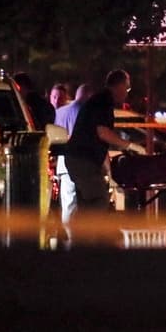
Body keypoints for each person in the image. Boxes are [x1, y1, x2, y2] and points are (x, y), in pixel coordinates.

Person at [64, 70, 146, 220]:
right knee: (99, 199)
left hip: (79, 158)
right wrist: (131, 146)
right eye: (127, 89)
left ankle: (81, 239)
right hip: (83, 160)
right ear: (119, 86)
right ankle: (81, 233)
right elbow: (103, 133)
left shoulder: (99, 100)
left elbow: (99, 142)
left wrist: (109, 172)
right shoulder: (103, 101)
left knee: (87, 203)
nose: (127, 94)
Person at [53, 83, 95, 246]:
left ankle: (69, 237)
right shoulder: (85, 113)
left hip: (63, 162)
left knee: (68, 202)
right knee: (83, 202)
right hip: (82, 161)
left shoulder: (59, 112)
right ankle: (79, 239)